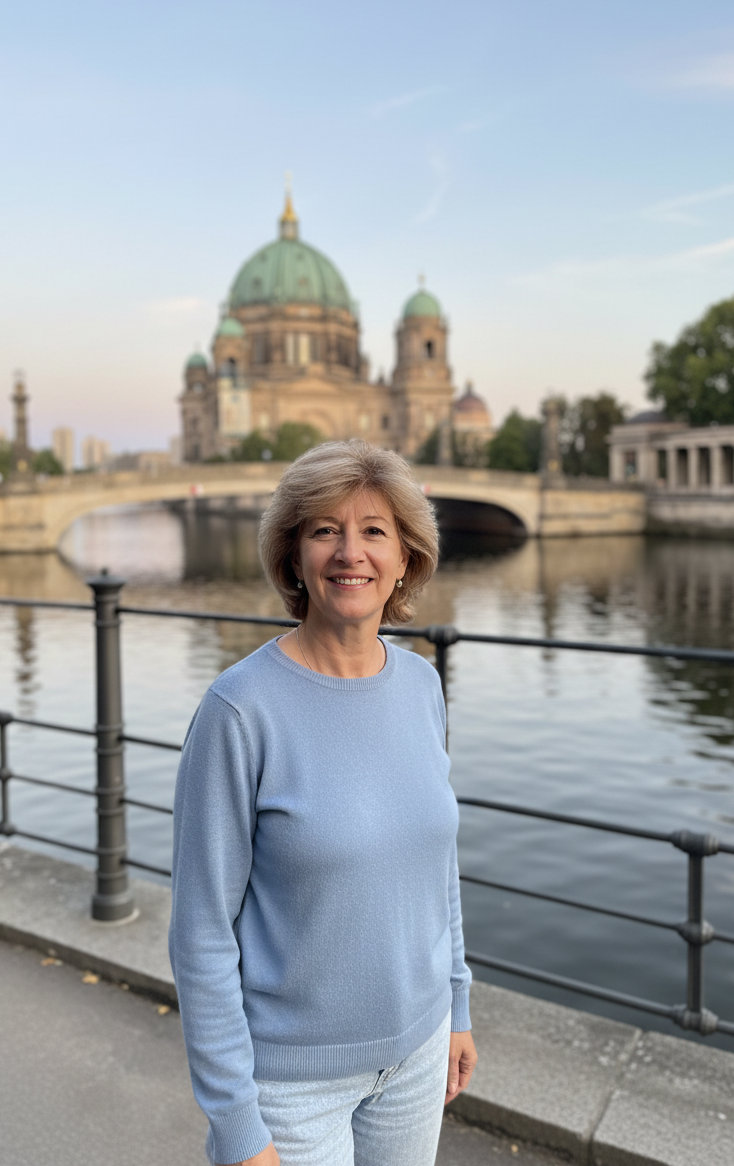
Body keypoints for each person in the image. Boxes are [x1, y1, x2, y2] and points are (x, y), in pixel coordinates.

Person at [169, 439, 477, 1166]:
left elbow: (437, 869)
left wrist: (457, 1004)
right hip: (291, 1090)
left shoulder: (421, 685)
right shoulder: (240, 711)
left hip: (418, 1056)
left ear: (406, 557)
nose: (351, 553)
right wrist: (237, 1125)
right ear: (294, 557)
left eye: (374, 531)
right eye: (324, 530)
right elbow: (201, 932)